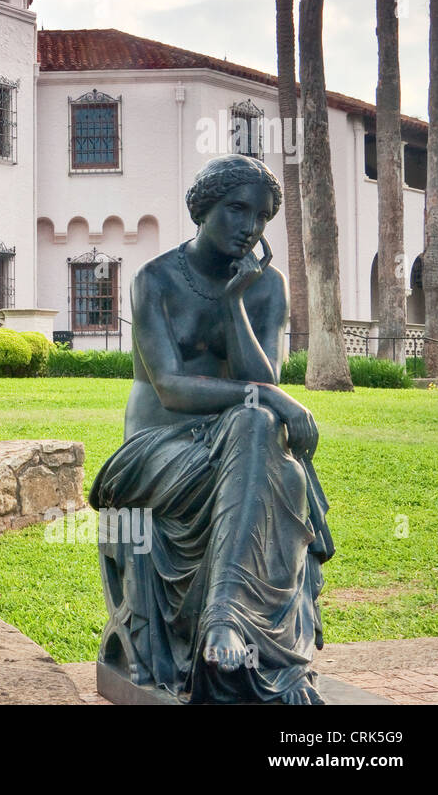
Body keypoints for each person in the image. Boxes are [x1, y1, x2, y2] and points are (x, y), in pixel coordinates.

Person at [89, 154, 333, 705]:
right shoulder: (155, 279)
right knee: (259, 421)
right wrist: (267, 396)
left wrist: (233, 303)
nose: (249, 227)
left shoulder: (266, 286)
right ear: (204, 208)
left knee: (262, 435)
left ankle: (224, 619)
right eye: (237, 209)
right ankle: (227, 622)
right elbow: (172, 389)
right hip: (154, 451)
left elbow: (259, 379)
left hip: (236, 444)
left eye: (262, 218)